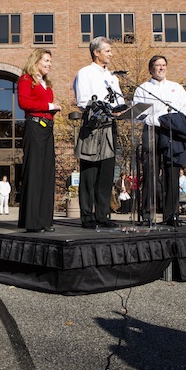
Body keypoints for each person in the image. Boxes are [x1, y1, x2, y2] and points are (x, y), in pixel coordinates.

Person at [133, 55, 186, 225]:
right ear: (150, 69)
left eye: (163, 65)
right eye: (157, 65)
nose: (161, 68)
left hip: (173, 133)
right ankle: (147, 215)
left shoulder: (176, 87)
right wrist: (158, 119)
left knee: (172, 174)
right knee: (150, 173)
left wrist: (173, 121)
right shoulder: (143, 89)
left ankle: (171, 215)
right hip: (152, 132)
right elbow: (138, 113)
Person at [73, 36, 125, 229]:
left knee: (106, 174)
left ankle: (103, 215)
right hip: (93, 126)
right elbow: (83, 100)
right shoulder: (85, 73)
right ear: (96, 52)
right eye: (108, 50)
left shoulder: (112, 77)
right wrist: (101, 108)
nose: (111, 54)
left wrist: (120, 109)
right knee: (89, 174)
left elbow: (118, 100)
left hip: (110, 125)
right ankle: (87, 216)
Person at [17, 49, 62, 233]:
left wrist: (52, 109)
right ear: (36, 61)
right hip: (34, 127)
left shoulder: (46, 84)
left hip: (47, 128)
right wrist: (49, 106)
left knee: (46, 173)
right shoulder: (26, 80)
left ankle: (45, 220)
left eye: (50, 61)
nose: (49, 64)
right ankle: (32, 222)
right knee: (34, 173)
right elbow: (24, 103)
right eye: (46, 60)